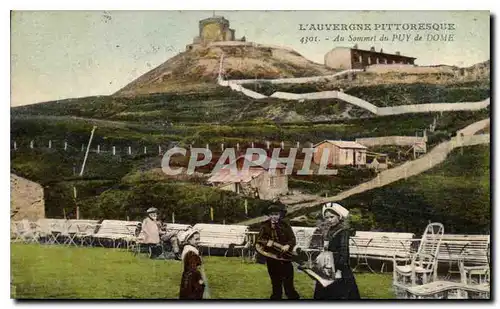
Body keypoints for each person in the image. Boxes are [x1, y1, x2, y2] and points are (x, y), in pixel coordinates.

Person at [313, 202, 360, 300]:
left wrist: (339, 269)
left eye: (332, 217)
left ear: (339, 217)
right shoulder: (329, 230)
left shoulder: (343, 231)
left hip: (339, 265)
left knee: (341, 293)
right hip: (328, 264)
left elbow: (344, 251)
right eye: (327, 217)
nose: (329, 220)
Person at [256, 202, 300, 300]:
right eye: (272, 214)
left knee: (288, 282)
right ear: (269, 215)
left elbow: (292, 239)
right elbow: (259, 240)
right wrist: (266, 243)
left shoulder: (285, 225)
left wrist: (288, 245)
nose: (274, 217)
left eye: (276, 214)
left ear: (280, 215)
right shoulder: (264, 226)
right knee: (276, 283)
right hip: (272, 258)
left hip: (285, 257)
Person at [178, 230, 206, 299]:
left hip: (187, 278)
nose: (198, 241)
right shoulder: (191, 252)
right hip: (192, 280)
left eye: (199, 239)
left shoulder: (188, 249)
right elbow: (193, 269)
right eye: (196, 239)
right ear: (189, 240)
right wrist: (200, 280)